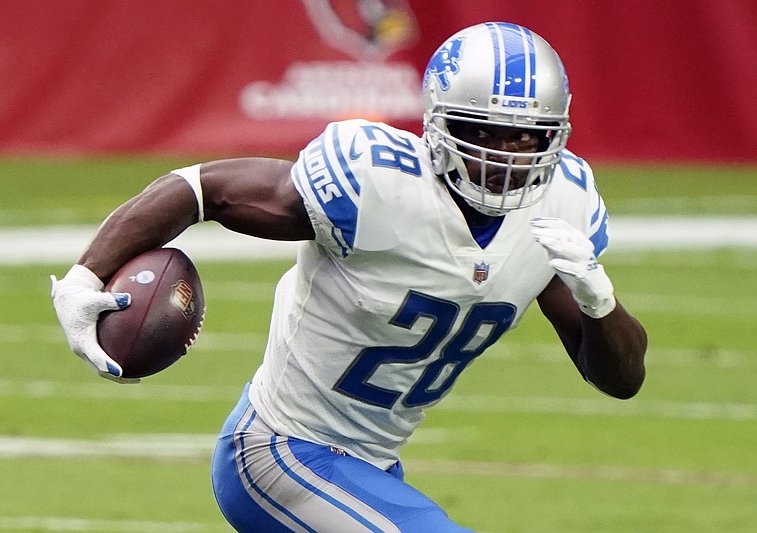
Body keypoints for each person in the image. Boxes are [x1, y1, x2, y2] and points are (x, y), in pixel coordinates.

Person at [51, 21, 647, 533]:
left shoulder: (561, 205)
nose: (504, 156)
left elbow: (621, 381)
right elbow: (204, 189)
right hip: (281, 449)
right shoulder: (376, 182)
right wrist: (87, 275)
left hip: (370, 467)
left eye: (526, 136)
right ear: (439, 125)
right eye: (482, 132)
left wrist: (601, 303)